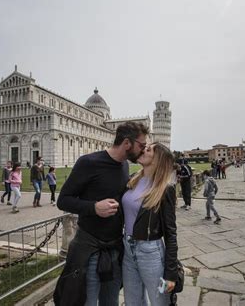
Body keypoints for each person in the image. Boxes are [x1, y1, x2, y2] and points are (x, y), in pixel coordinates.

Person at [53, 121, 149, 306]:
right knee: (88, 302)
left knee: (111, 301)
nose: (143, 150)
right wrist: (94, 207)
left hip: (114, 248)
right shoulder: (89, 162)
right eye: (141, 146)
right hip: (90, 249)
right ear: (127, 143)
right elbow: (63, 200)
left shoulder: (124, 166)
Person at [122, 143, 178, 305]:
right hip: (128, 248)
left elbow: (171, 233)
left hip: (150, 252)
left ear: (157, 160)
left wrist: (170, 273)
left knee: (159, 301)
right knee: (132, 301)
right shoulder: (133, 179)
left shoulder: (165, 189)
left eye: (148, 150)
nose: (142, 150)